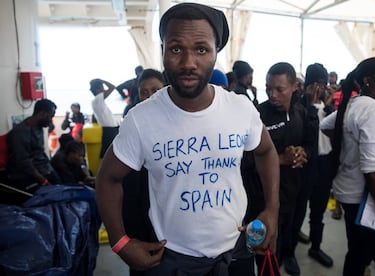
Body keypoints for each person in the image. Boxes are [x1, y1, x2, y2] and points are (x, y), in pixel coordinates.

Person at [95, 3, 280, 275]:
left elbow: (265, 152)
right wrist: (119, 241)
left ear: (216, 53)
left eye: (201, 49)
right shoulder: (141, 119)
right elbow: (107, 178)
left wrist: (272, 209)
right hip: (170, 260)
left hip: (237, 251)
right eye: (176, 49)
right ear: (163, 52)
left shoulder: (240, 109)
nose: (188, 63)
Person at [320, 56, 375, 276]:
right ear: (369, 81)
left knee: (359, 254)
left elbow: (327, 126)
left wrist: (351, 144)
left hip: (352, 195)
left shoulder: (355, 104)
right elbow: (372, 171)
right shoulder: (372, 110)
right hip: (368, 199)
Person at [243, 62, 318, 275]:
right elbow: (244, 161)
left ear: (294, 86)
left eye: (279, 89)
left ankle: (289, 256)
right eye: (268, 88)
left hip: (293, 195)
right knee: (263, 250)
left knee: (287, 236)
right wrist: (280, 159)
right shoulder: (257, 116)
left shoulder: (300, 113)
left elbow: (310, 145)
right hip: (262, 201)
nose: (272, 94)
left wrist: (303, 152)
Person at [120, 68, 166, 276]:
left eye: (155, 90)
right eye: (143, 93)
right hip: (140, 216)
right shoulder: (132, 125)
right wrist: (124, 241)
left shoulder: (180, 123)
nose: (149, 97)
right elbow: (115, 181)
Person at [294, 63, 334, 268]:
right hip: (306, 163)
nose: (320, 88)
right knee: (298, 207)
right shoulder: (299, 106)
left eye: (323, 84)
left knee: (319, 209)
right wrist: (309, 104)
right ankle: (289, 251)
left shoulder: (329, 107)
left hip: (325, 162)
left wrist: (327, 105)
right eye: (316, 83)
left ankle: (316, 246)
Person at [7, 99, 61, 192]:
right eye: (50, 117)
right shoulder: (20, 132)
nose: (50, 121)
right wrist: (43, 180)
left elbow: (40, 152)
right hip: (27, 175)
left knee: (64, 187)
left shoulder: (38, 128)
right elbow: (23, 162)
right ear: (42, 114)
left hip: (43, 169)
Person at [89, 78, 119, 158]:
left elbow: (94, 118)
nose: (104, 89)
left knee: (108, 153)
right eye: (102, 87)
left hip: (107, 129)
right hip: (110, 129)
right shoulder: (99, 98)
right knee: (113, 154)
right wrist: (101, 80)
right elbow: (112, 87)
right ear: (98, 89)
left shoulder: (94, 102)